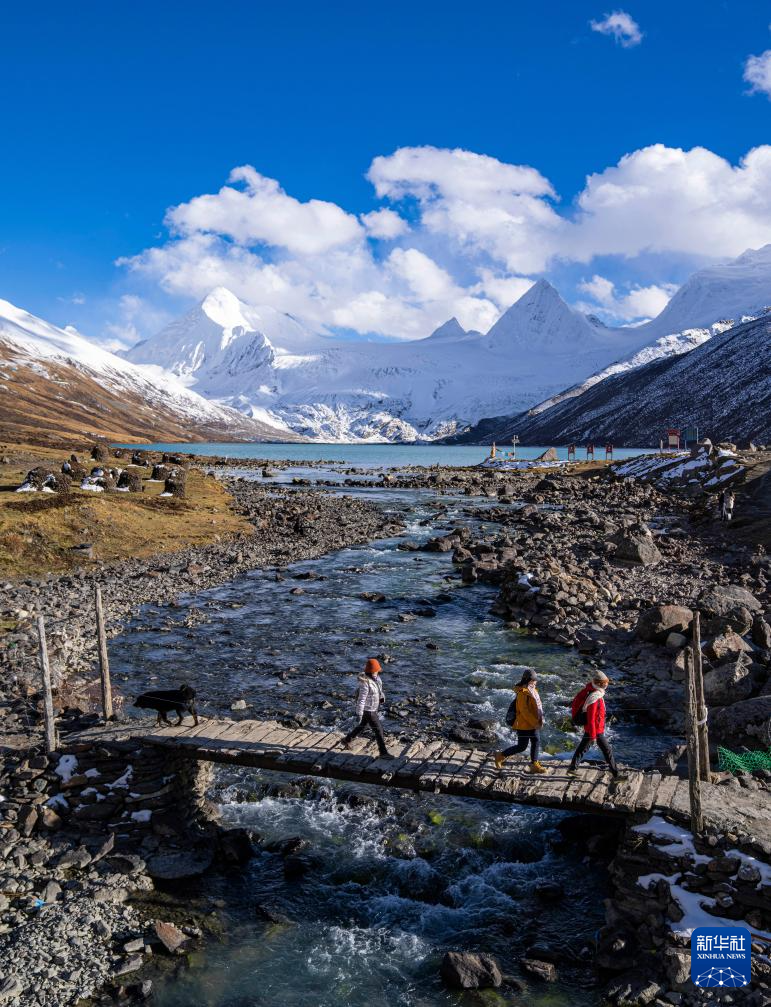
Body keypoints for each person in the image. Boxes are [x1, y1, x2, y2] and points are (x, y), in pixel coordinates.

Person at [567, 671, 627, 780]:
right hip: (595, 730)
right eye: (605, 682)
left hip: (594, 729)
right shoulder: (594, 697)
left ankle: (572, 768)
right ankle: (616, 775)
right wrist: (593, 735)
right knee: (607, 750)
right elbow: (591, 719)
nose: (607, 684)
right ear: (599, 683)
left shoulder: (596, 692)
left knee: (582, 749)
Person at [494, 669, 546, 774]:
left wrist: (541, 718)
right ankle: (500, 756)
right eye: (534, 680)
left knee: (536, 741)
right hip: (523, 725)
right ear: (528, 680)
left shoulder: (533, 690)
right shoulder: (522, 693)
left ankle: (534, 764)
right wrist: (535, 723)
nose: (536, 682)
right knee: (522, 746)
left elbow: (538, 707)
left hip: (533, 723)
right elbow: (524, 711)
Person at [341, 658, 393, 758]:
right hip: (369, 710)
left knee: (363, 726)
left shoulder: (377, 678)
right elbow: (361, 699)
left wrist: (382, 697)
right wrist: (359, 714)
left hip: (374, 707)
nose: (378, 671)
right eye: (377, 669)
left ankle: (346, 740)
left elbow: (379, 690)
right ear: (373, 670)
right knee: (379, 730)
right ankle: (383, 753)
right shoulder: (365, 683)